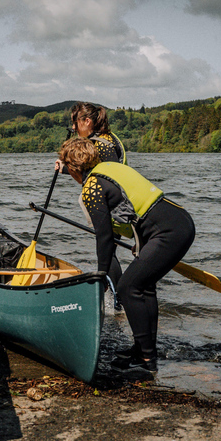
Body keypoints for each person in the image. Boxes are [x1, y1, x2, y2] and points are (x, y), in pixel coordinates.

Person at [56, 137, 195, 373]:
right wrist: (143, 241)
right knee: (143, 287)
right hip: (177, 220)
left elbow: (104, 237)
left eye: (68, 169)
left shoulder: (91, 187)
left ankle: (147, 361)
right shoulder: (112, 167)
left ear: (72, 168)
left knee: (128, 288)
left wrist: (101, 275)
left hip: (167, 232)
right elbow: (137, 208)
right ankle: (142, 350)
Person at [70, 102, 127, 307]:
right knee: (108, 251)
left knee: (107, 250)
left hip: (113, 205)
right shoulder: (107, 139)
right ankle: (117, 300)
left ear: (87, 121)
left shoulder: (101, 144)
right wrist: (67, 167)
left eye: (76, 123)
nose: (74, 128)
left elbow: (107, 175)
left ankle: (118, 301)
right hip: (114, 202)